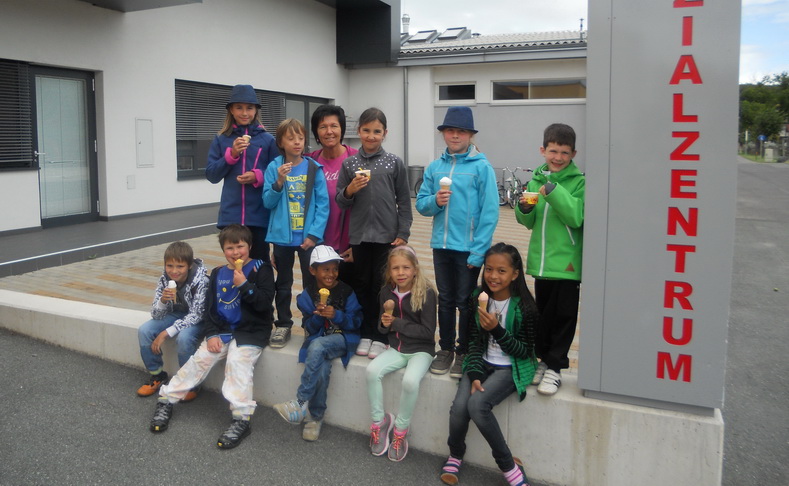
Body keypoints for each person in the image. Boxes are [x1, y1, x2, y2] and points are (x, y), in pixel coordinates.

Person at [149, 224, 275, 450]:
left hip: (251, 331)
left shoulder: (260, 269)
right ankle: (167, 399)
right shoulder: (217, 273)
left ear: (250, 246)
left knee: (238, 362)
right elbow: (210, 310)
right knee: (200, 360)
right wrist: (212, 334)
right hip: (222, 330)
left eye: (240, 246)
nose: (235, 252)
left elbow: (265, 305)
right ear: (223, 250)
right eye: (230, 248)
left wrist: (245, 286)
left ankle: (241, 419)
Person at [440, 243, 538, 486]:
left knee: (478, 405)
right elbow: (473, 342)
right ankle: (455, 453)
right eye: (489, 269)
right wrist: (474, 373)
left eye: (502, 271)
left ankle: (508, 464)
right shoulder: (477, 298)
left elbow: (524, 351)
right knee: (459, 408)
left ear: (515, 274)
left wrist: (497, 330)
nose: (493, 276)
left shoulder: (525, 307)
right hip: (481, 362)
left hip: (510, 366)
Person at [416, 106, 499, 379]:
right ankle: (445, 349)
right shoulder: (435, 167)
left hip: (468, 249)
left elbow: (490, 212)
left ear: (470, 135)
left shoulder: (481, 167)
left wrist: (479, 251)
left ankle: (464, 351)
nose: (455, 136)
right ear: (443, 134)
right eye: (450, 130)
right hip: (441, 247)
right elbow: (422, 205)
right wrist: (435, 201)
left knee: (465, 302)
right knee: (446, 300)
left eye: (461, 131)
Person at [336, 107, 412, 360]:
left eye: (376, 131)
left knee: (382, 287)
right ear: (358, 131)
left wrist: (403, 231)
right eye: (366, 130)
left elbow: (404, 199)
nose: (371, 136)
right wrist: (350, 189)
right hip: (359, 236)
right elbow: (340, 201)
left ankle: (381, 336)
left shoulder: (393, 162)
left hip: (386, 237)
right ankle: (365, 333)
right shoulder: (349, 164)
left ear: (385, 133)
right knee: (362, 285)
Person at [514, 123, 584, 396]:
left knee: (564, 317)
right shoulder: (535, 181)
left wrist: (553, 190)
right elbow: (529, 222)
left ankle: (555, 368)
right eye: (553, 151)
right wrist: (523, 209)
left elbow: (575, 217)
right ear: (543, 150)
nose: (558, 157)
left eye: (565, 152)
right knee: (542, 316)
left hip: (567, 265)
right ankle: (543, 360)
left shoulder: (579, 182)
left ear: (573, 154)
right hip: (542, 263)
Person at [273, 245, 362, 441]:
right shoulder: (306, 296)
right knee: (321, 369)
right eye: (325, 269)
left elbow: (356, 322)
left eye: (335, 269)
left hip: (343, 338)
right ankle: (315, 417)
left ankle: (300, 401)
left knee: (318, 346)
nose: (331, 274)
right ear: (312, 270)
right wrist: (318, 317)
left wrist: (337, 315)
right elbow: (310, 329)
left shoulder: (346, 292)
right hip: (319, 340)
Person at [366, 245, 437, 462]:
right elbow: (382, 330)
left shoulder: (427, 292)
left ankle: (400, 431)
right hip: (396, 348)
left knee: (410, 381)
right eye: (395, 268)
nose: (401, 272)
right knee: (371, 371)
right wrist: (385, 323)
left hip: (421, 351)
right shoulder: (386, 292)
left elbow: (428, 332)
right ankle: (379, 423)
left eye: (406, 267)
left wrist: (396, 323)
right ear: (389, 271)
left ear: (415, 269)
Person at [263, 118, 329, 349]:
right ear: (281, 142)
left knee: (311, 283)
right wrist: (279, 181)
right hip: (282, 239)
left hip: (308, 240)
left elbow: (323, 205)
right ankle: (283, 324)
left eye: (300, 137)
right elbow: (267, 202)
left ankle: (312, 324)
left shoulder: (313, 168)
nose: (297, 142)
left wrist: (314, 235)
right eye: (291, 138)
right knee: (283, 284)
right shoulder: (274, 167)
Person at [205, 84, 279, 264]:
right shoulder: (221, 139)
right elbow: (212, 175)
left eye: (249, 108)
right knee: (235, 265)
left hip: (259, 217)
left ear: (256, 110)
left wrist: (258, 176)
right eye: (239, 107)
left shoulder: (268, 139)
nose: (244, 113)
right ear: (231, 110)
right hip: (231, 217)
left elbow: (278, 173)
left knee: (260, 265)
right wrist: (231, 155)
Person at [136, 241, 209, 401]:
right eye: (170, 266)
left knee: (184, 338)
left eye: (180, 266)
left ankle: (191, 382)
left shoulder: (202, 281)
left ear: (189, 266)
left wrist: (166, 332)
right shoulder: (164, 279)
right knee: (144, 330)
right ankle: (157, 375)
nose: (174, 271)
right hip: (177, 314)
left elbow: (197, 315)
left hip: (199, 319)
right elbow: (156, 315)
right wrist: (162, 301)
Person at [307, 104, 359, 283]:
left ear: (341, 129)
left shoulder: (356, 160)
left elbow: (369, 206)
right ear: (316, 132)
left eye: (334, 126)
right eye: (323, 127)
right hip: (316, 247)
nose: (329, 131)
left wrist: (358, 247)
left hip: (347, 249)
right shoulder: (309, 162)